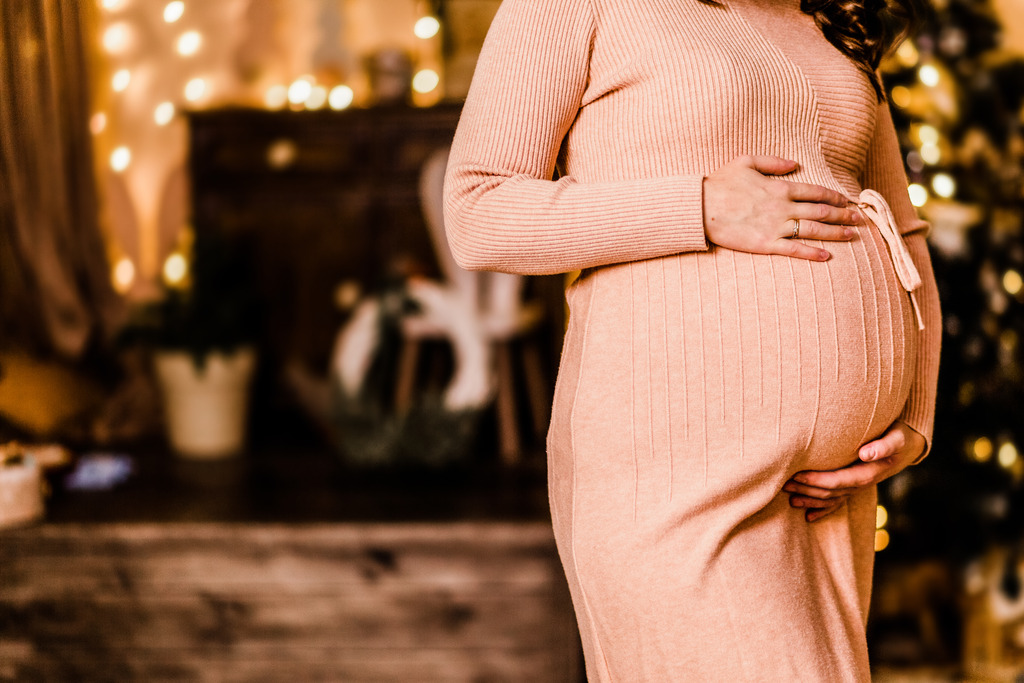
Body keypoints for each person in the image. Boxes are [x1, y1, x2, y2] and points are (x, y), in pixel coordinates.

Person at [443, 0, 941, 679]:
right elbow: (479, 212)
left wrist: (913, 419)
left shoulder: (832, 16)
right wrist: (700, 206)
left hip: (829, 494)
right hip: (674, 472)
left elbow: (902, 233)